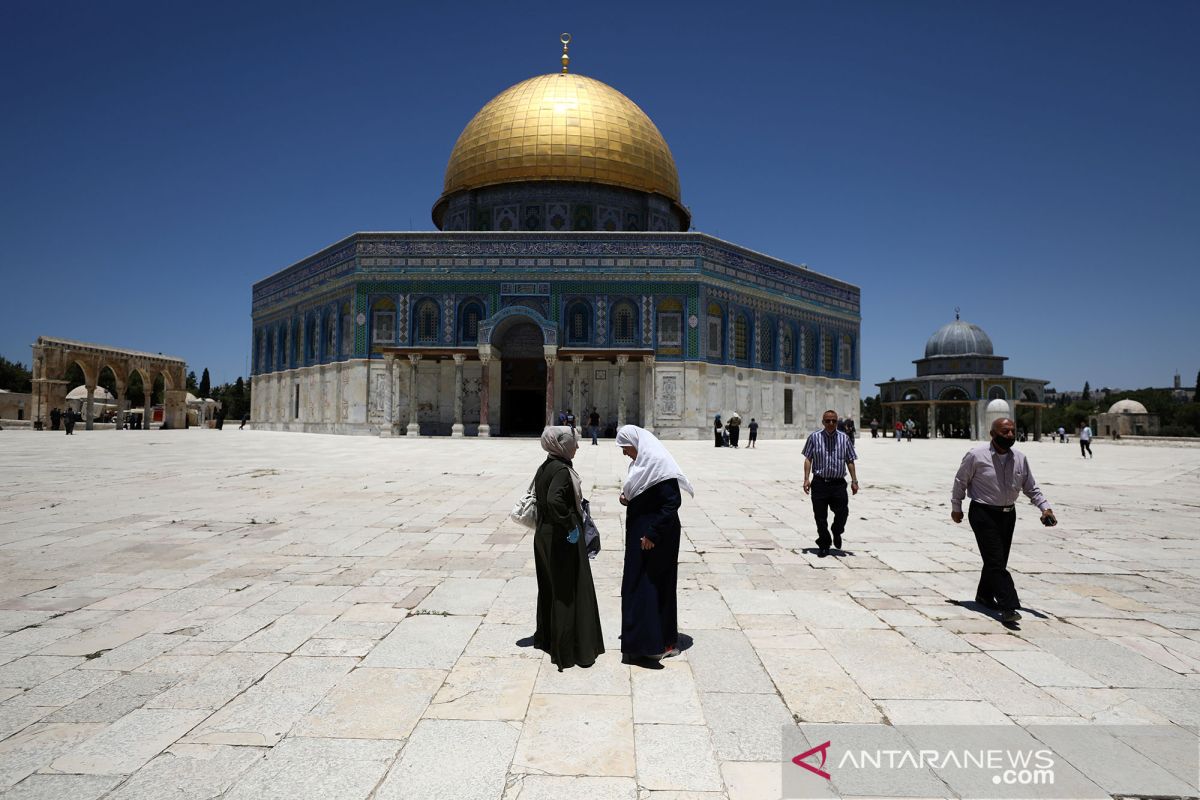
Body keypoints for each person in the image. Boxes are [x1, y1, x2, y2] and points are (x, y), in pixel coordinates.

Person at [951, 417, 1056, 624]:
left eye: (1012, 431)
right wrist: (957, 507)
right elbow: (960, 481)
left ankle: (984, 595)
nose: (1009, 435)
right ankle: (1009, 606)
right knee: (996, 561)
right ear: (993, 434)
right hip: (983, 513)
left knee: (997, 560)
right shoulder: (976, 455)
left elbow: (1031, 487)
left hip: (1008, 514)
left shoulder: (1019, 458)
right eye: (1004, 432)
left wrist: (1045, 508)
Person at [616, 425, 694, 663]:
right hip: (644, 535)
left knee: (652, 584)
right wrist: (627, 499)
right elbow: (646, 495)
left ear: (635, 443)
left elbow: (671, 503)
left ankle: (656, 643)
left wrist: (652, 533)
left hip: (656, 539)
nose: (624, 453)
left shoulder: (659, 464)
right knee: (639, 584)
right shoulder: (643, 465)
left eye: (625, 447)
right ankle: (644, 638)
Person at [532, 426, 604, 670]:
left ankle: (548, 639)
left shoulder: (546, 465)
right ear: (562, 445)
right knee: (567, 590)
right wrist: (569, 525)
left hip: (543, 535)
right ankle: (568, 651)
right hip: (560, 537)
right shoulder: (562, 470)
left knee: (550, 587)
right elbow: (554, 500)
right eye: (574, 442)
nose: (578, 446)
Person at [802, 409, 859, 557]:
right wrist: (806, 478)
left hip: (838, 484)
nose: (831, 423)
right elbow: (808, 458)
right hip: (820, 483)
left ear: (837, 421)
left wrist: (854, 480)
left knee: (843, 512)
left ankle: (837, 531)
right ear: (823, 422)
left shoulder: (844, 438)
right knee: (820, 517)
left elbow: (850, 460)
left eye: (834, 420)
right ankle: (824, 543)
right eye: (828, 421)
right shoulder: (814, 438)